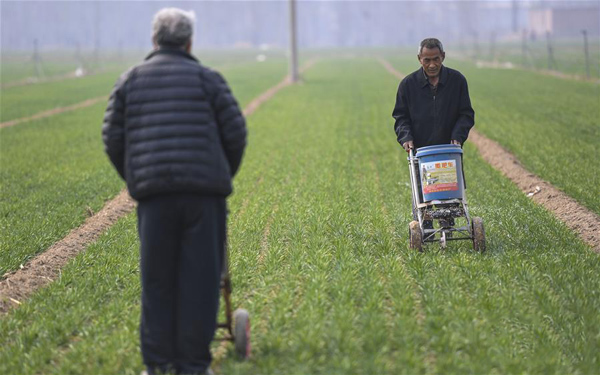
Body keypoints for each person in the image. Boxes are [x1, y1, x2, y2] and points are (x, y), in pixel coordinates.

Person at [102, 8, 246, 375]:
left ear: (154, 41)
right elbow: (236, 133)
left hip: (155, 199)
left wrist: (138, 179)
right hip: (203, 198)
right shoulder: (208, 79)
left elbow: (112, 136)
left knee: (158, 282)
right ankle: (194, 365)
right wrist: (219, 175)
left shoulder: (130, 80)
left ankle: (157, 365)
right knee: (200, 282)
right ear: (189, 41)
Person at [392, 38, 474, 228]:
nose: (432, 65)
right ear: (419, 58)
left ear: (443, 57)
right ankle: (425, 230)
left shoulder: (457, 81)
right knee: (423, 196)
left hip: (448, 149)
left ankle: (449, 229)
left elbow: (466, 114)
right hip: (421, 152)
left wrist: (458, 136)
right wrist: (406, 138)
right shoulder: (408, 85)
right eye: (427, 60)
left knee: (448, 193)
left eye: (436, 59)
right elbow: (400, 117)